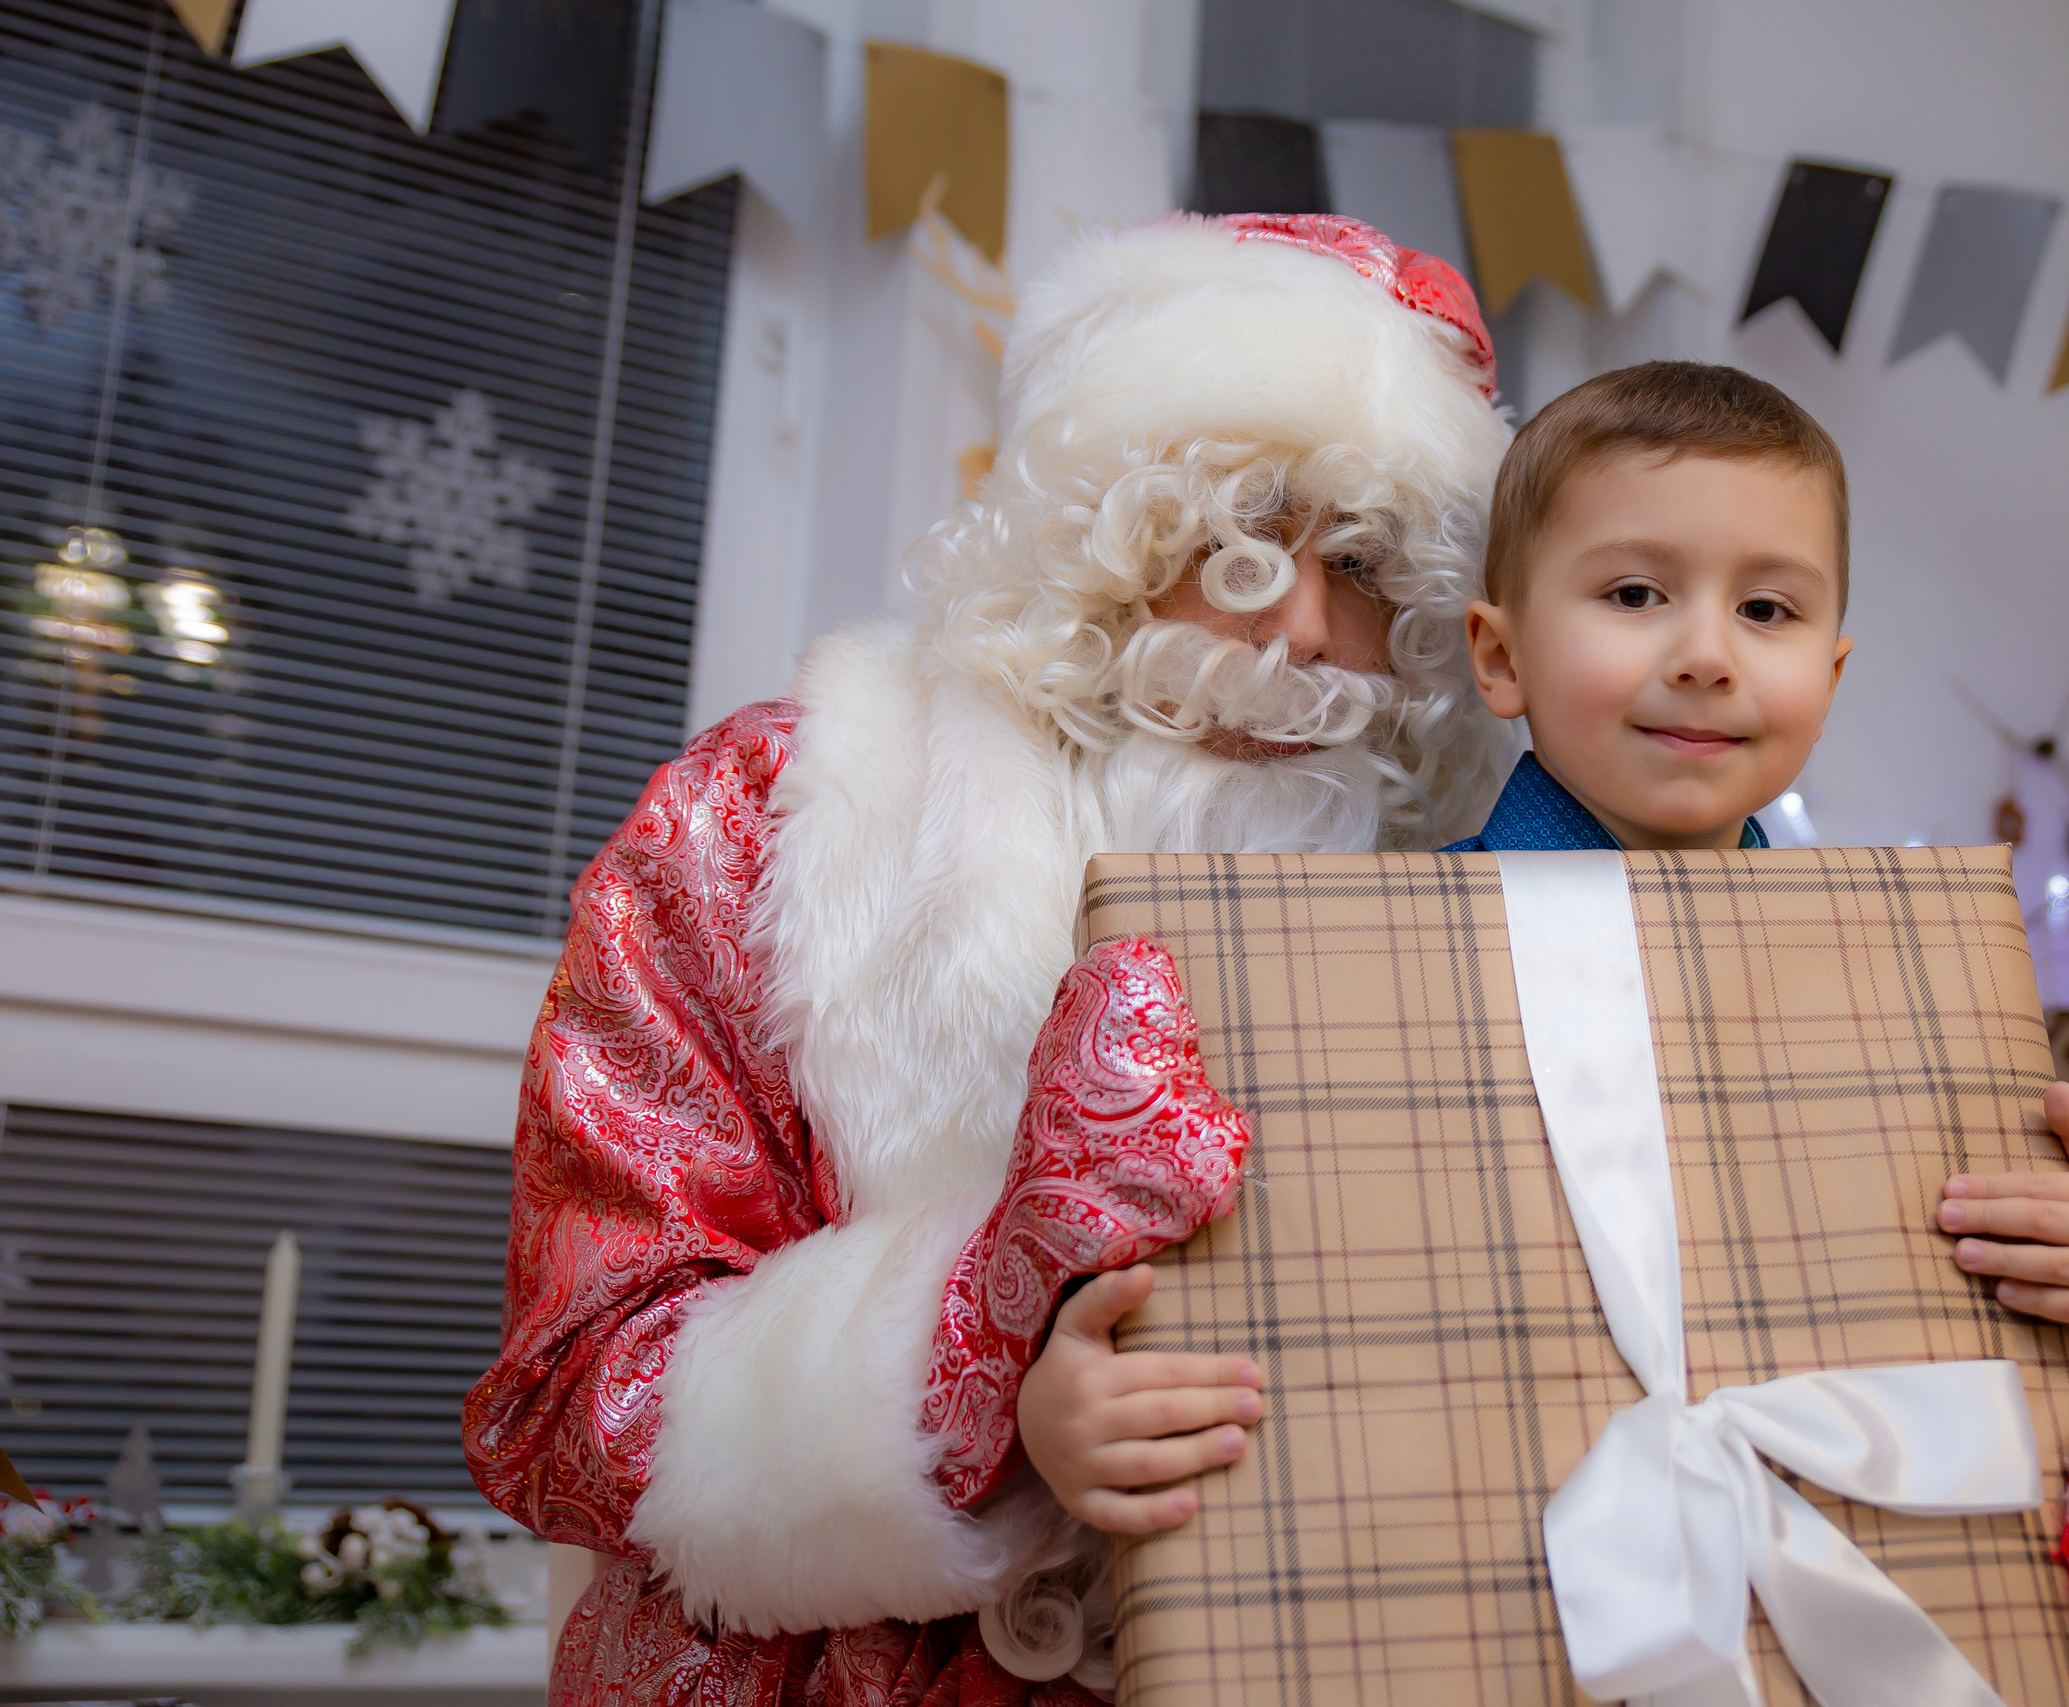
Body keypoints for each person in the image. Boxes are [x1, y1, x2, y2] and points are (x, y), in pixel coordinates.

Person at [462, 214, 1513, 1704]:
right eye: (1240, 541)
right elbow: (573, 1391)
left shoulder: (1465, 878)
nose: (1303, 630)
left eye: (1366, 571)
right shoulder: (772, 817)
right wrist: (994, 1361)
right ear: (1103, 539)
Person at [1449, 360, 2069, 1373]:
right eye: (1633, 592)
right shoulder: (1390, 959)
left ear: (1828, 680)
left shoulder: (1914, 992)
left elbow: (1966, 1318)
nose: (1705, 655)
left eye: (1765, 611)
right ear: (1500, 657)